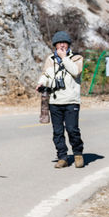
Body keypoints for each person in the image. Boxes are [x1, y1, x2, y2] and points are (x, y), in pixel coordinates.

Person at [36, 30, 84, 169]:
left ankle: (78, 154)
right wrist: (41, 83)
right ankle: (62, 157)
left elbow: (75, 71)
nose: (62, 45)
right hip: (54, 101)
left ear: (68, 45)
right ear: (55, 46)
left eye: (64, 43)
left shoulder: (76, 58)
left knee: (72, 129)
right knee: (57, 132)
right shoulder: (50, 59)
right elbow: (46, 74)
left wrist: (64, 58)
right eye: (59, 44)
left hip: (71, 101)